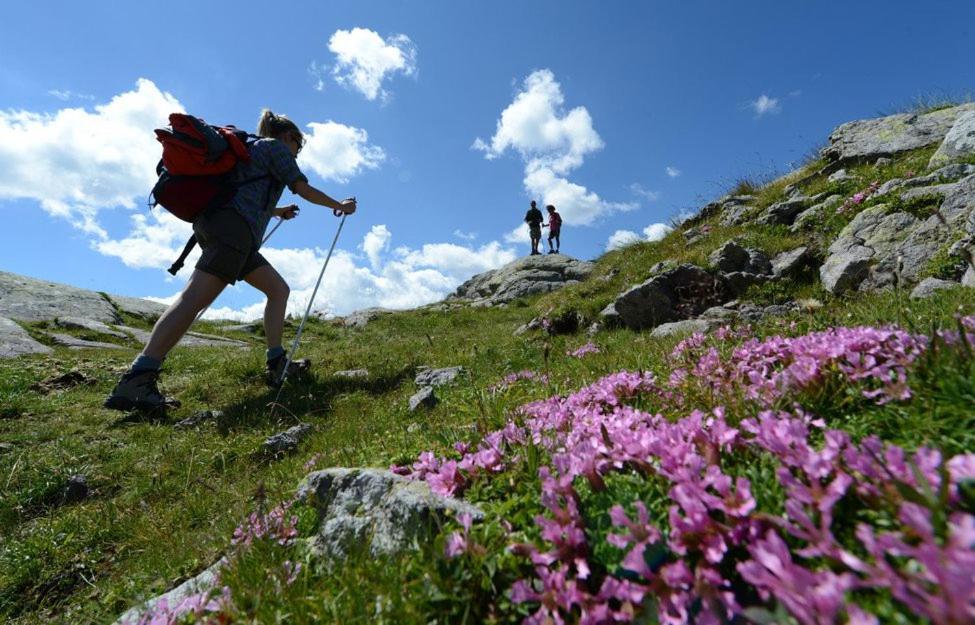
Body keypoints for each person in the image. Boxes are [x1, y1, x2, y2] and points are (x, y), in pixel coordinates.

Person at [104, 109, 357, 411]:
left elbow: (239, 190)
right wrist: (338, 205)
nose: (297, 152)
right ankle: (138, 378)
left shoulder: (251, 149)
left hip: (222, 227)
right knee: (193, 298)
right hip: (234, 232)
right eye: (298, 145)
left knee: (278, 290)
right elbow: (302, 188)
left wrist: (277, 212)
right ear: (289, 136)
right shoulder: (274, 147)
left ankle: (277, 361)